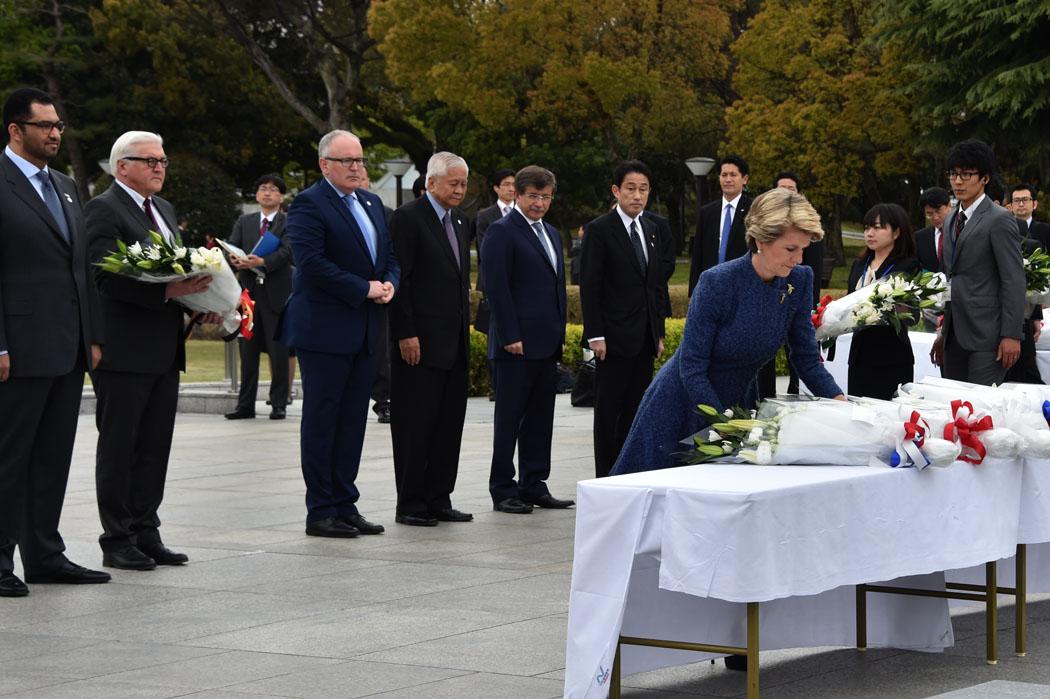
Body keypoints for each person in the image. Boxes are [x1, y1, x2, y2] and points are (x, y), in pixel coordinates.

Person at [611, 187, 844, 476]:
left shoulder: (800, 280)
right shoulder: (717, 283)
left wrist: (841, 404)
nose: (798, 258)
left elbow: (806, 359)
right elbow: (692, 367)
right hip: (683, 404)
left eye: (803, 248)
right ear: (760, 240)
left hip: (739, 406)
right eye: (790, 249)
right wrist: (723, 424)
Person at [0, 88, 109, 596]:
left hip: (65, 347)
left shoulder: (66, 185)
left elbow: (78, 269)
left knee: (51, 456)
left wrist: (91, 337)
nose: (55, 134)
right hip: (16, 348)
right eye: (44, 126)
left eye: (59, 125)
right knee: (9, 456)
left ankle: (44, 554)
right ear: (15, 130)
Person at [87, 130, 213, 570]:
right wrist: (166, 293)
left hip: (164, 348)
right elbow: (104, 276)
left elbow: (173, 274)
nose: (160, 167)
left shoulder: (163, 209)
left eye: (163, 161)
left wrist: (201, 302)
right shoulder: (103, 209)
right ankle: (116, 538)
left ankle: (146, 530)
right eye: (150, 161)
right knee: (121, 446)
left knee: (155, 446)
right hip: (122, 350)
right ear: (122, 166)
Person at [278, 130, 399, 538]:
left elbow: (389, 256)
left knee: (352, 420)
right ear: (324, 164)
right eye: (347, 161)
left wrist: (389, 284)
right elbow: (310, 262)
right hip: (325, 329)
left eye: (360, 161)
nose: (356, 168)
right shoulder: (309, 204)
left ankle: (346, 503)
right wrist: (363, 288)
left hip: (366, 327)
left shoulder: (372, 202)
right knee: (322, 420)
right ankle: (321, 509)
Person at [481, 165, 575, 514]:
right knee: (509, 420)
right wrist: (509, 335)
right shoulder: (501, 232)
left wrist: (560, 334)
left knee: (540, 418)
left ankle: (534, 483)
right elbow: (497, 287)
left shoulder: (551, 233)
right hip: (515, 345)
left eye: (545, 196)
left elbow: (556, 289)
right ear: (516, 195)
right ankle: (503, 488)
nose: (539, 203)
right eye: (533, 196)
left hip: (546, 343)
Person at [387, 152, 473, 526]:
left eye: (464, 183)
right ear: (431, 182)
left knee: (448, 423)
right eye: (452, 183)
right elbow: (400, 279)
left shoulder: (460, 221)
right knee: (416, 423)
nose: (459, 190)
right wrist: (406, 332)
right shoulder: (407, 218)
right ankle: (411, 502)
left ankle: (440, 496)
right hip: (418, 342)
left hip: (453, 342)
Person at [580, 160, 671, 478]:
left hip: (644, 336)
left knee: (637, 408)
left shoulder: (651, 229)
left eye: (643, 189)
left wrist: (657, 331)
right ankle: (606, 475)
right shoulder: (599, 230)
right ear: (616, 191)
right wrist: (595, 335)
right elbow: (590, 286)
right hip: (612, 338)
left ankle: (630, 470)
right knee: (609, 412)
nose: (637, 195)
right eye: (630, 188)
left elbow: (655, 285)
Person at [931, 139, 1025, 385]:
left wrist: (1012, 334)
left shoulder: (1000, 219)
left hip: (988, 336)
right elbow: (951, 279)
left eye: (966, 174)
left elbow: (1013, 280)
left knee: (980, 414)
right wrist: (943, 333)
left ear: (984, 178)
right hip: (953, 336)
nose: (958, 181)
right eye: (953, 174)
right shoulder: (951, 219)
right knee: (953, 409)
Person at [225, 173, 293, 420]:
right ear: (256, 194)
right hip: (248, 295)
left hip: (276, 294)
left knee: (279, 351)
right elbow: (232, 244)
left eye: (273, 190)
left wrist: (264, 261)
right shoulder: (245, 221)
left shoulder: (288, 221)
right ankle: (245, 405)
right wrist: (233, 258)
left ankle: (278, 404)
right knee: (248, 351)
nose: (267, 193)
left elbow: (288, 250)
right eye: (263, 189)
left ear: (281, 196)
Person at [846, 204, 919, 399]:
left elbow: (913, 315)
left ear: (896, 232)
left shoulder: (908, 266)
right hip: (859, 356)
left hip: (891, 356)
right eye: (867, 228)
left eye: (877, 228)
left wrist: (890, 307)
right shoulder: (859, 264)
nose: (870, 233)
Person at [688, 155, 752, 295]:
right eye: (724, 175)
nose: (728, 179)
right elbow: (698, 252)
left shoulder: (753, 210)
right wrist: (694, 291)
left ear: (744, 179)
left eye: (733, 175)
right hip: (711, 285)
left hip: (742, 285)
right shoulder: (707, 212)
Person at [361, 173, 393, 424]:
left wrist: (390, 282)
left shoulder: (380, 210)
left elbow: (392, 253)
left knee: (382, 351)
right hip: (350, 298)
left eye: (363, 179)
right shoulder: (316, 207)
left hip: (381, 296)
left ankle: (384, 400)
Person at [915, 187, 952, 273]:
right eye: (929, 214)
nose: (935, 217)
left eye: (938, 211)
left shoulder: (963, 231)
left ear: (949, 205)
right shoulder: (920, 237)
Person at [1010, 183, 1050, 249]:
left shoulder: (1047, 231)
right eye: (1016, 200)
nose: (1021, 204)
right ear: (1011, 206)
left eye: (1025, 199)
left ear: (1035, 204)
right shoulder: (1003, 228)